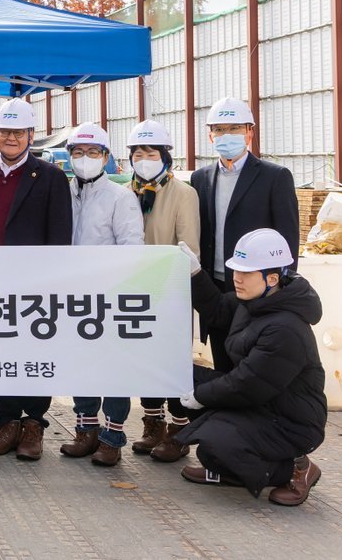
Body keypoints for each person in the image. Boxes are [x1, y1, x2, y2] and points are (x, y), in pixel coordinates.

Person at [177, 229, 325, 506]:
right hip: (262, 405)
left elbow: (248, 383)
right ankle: (233, 470)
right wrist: (195, 274)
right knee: (181, 377)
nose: (236, 277)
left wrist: (201, 396)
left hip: (289, 421)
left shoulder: (285, 329)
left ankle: (297, 467)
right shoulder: (254, 301)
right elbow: (218, 309)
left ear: (272, 278)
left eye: (246, 273)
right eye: (236, 270)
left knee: (216, 442)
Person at [0, 98, 72, 461]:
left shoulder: (51, 177)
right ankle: (8, 422)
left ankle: (33, 425)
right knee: (1, 352)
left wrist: (51, 284)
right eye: (5, 131)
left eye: (18, 132)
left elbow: (59, 237)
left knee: (34, 353)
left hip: (33, 287)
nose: (11, 138)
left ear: (31, 135)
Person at [58, 123, 144, 467]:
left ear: (106, 157)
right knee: (81, 364)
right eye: (78, 152)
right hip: (72, 297)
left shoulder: (120, 198)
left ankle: (112, 436)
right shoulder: (63, 193)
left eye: (93, 152)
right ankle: (86, 429)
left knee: (113, 367)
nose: (85, 158)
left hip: (109, 297)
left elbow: (132, 247)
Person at [191, 97, 298, 372]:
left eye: (235, 128)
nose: (226, 135)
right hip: (216, 289)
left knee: (257, 368)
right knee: (223, 364)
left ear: (249, 132)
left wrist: (280, 290)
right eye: (219, 129)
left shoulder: (275, 177)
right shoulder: (200, 178)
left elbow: (288, 238)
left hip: (257, 288)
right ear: (210, 135)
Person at [125, 119, 200, 461]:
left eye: (151, 153)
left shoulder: (182, 193)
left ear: (165, 156)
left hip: (170, 292)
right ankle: (152, 423)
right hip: (135, 292)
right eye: (138, 154)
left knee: (173, 361)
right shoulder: (128, 193)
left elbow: (188, 247)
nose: (144, 159)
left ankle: (179, 429)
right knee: (146, 361)